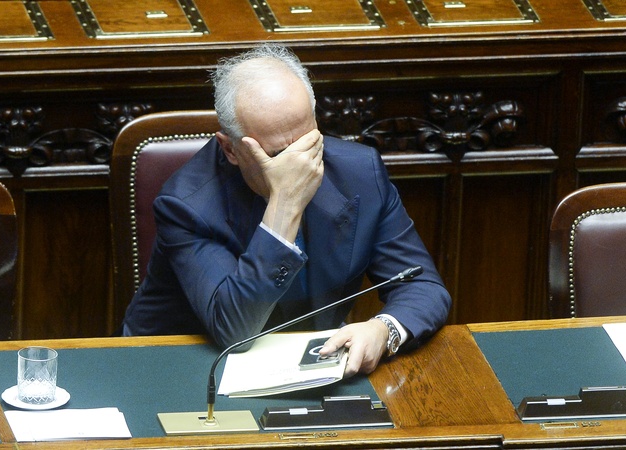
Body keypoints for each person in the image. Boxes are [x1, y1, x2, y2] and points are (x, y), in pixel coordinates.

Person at [122, 43, 451, 376]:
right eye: (278, 155)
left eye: (308, 143)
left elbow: (423, 286)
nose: (301, 165)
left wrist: (384, 329)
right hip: (182, 368)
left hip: (311, 366)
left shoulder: (360, 173)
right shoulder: (186, 206)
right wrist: (285, 203)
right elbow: (235, 331)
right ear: (230, 149)